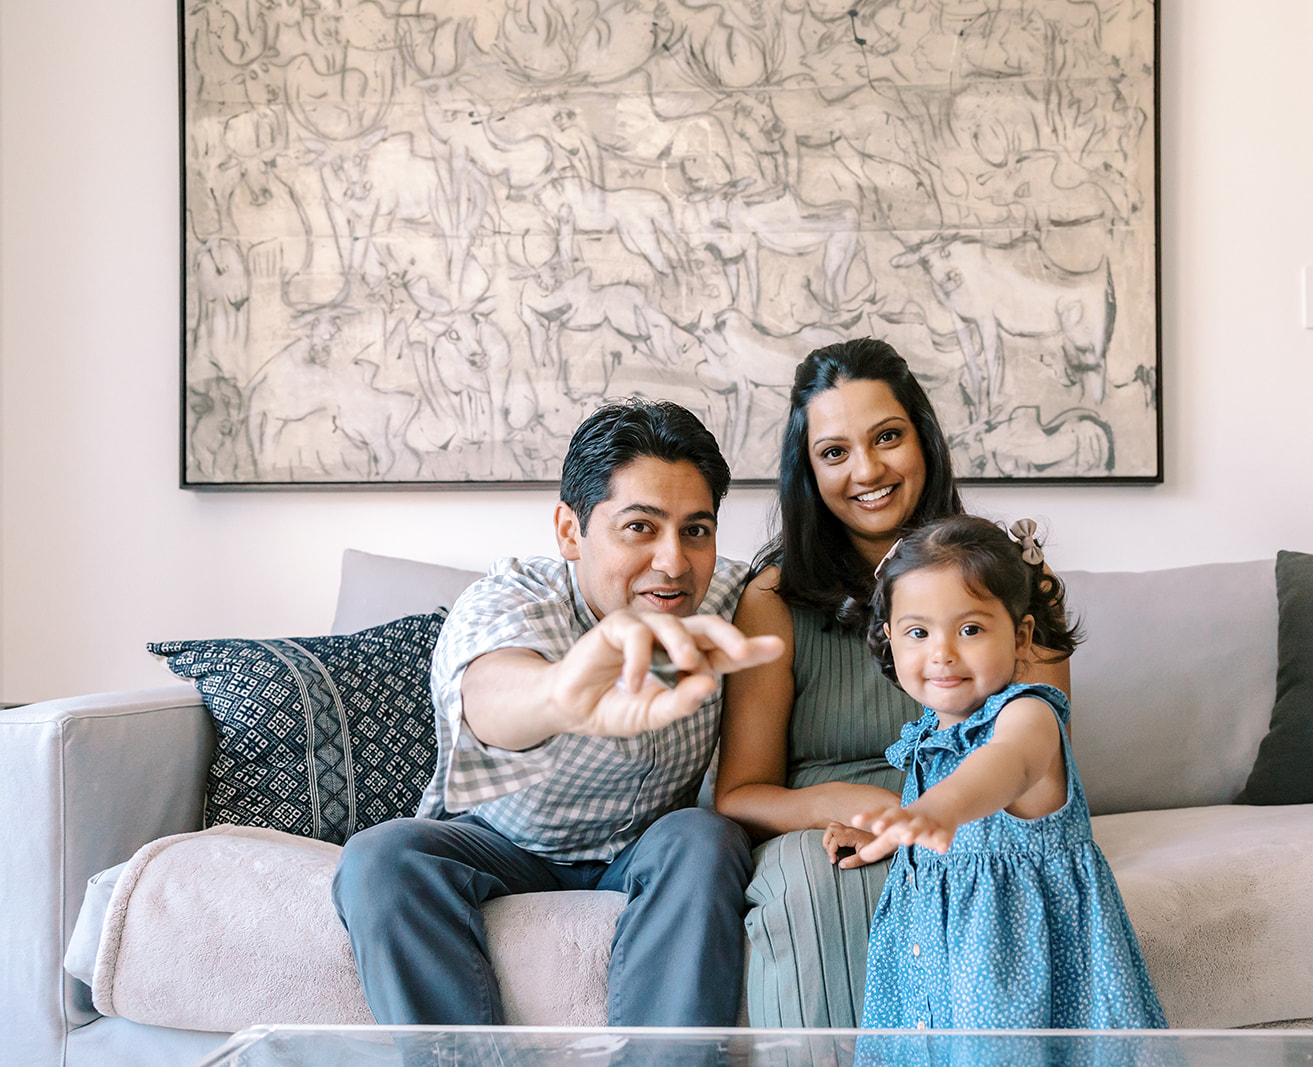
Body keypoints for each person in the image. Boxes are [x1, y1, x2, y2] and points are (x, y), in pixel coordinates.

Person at [331, 398, 781, 1028]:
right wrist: (561, 693)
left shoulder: (735, 599)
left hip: (646, 846)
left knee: (706, 836)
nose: (674, 562)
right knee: (381, 858)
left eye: (696, 530)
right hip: (506, 844)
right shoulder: (512, 598)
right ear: (571, 531)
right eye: (640, 527)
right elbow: (490, 693)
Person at [714, 337, 1072, 1025]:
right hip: (823, 830)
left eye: (887, 437)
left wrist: (925, 814)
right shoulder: (774, 598)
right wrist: (855, 804)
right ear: (808, 470)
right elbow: (739, 793)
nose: (867, 470)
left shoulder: (1016, 580)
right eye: (834, 452)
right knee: (822, 892)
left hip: (975, 819)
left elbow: (1042, 753)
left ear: (924, 439)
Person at [847, 514, 1166, 1029]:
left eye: (970, 629)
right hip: (935, 975)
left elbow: (1008, 763)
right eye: (918, 632)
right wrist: (901, 831)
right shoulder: (930, 733)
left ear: (1021, 637)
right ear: (890, 638)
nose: (942, 653)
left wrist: (941, 807)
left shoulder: (1028, 714)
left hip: (1018, 980)